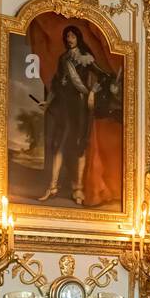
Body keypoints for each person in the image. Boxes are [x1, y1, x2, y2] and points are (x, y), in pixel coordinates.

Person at [37, 25, 115, 204]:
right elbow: (57, 82)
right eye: (67, 36)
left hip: (80, 105)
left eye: (72, 36)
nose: (69, 39)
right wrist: (48, 101)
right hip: (65, 104)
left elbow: (104, 76)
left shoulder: (86, 58)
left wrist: (93, 92)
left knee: (80, 144)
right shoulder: (63, 58)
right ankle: (53, 186)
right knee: (59, 144)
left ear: (78, 37)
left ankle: (78, 189)